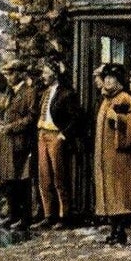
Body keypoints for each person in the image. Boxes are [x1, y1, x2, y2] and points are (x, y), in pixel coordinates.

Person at [92, 63, 131, 247]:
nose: (107, 81)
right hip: (106, 158)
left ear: (119, 81)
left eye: (111, 78)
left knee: (119, 195)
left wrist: (121, 119)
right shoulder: (107, 99)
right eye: (106, 78)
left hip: (119, 158)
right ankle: (114, 230)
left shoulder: (124, 98)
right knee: (109, 194)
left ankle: (120, 231)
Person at [0, 64, 39, 229]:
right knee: (10, 181)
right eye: (6, 74)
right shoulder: (10, 92)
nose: (8, 78)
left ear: (19, 73)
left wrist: (12, 127)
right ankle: (13, 215)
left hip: (20, 142)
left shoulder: (29, 93)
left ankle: (25, 219)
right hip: (8, 143)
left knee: (22, 181)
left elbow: (31, 117)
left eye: (11, 74)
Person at [34, 59, 83, 229]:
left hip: (55, 136)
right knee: (44, 176)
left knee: (59, 176)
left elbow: (76, 117)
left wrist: (63, 135)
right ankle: (49, 215)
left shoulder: (66, 93)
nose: (43, 76)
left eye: (46, 72)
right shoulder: (44, 93)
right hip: (42, 135)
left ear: (54, 74)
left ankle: (65, 216)